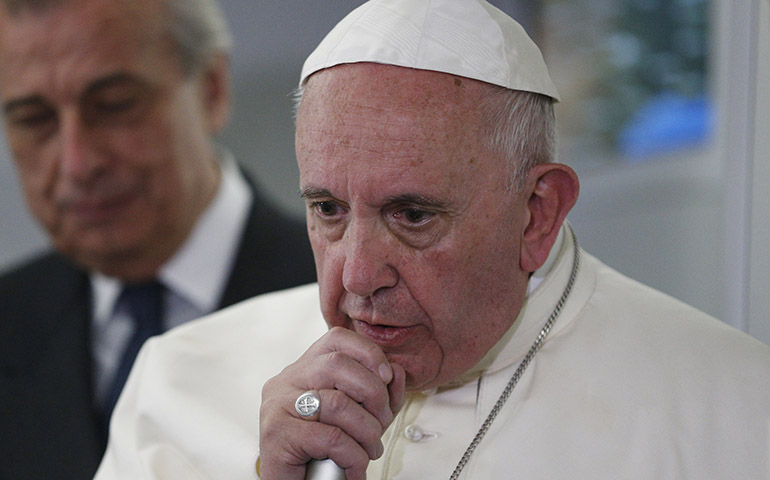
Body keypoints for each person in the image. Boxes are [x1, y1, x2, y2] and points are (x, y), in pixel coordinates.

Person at [95, 0, 770, 479]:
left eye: (412, 215)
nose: (357, 275)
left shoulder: (739, 415)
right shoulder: (177, 383)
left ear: (537, 214)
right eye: (328, 208)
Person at [0, 0, 316, 477]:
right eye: (34, 119)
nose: (77, 163)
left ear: (212, 89)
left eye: (114, 106)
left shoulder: (343, 306)